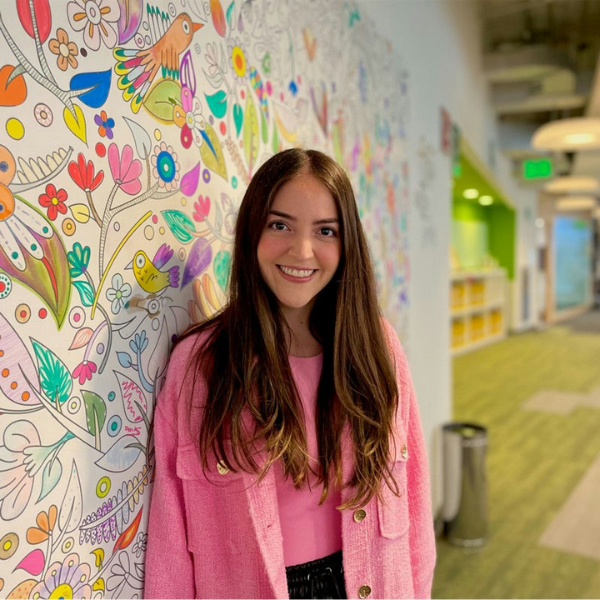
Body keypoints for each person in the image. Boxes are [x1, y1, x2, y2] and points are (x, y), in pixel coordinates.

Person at [144, 148, 436, 599]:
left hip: (373, 580)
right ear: (252, 231)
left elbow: (413, 498)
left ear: (347, 244)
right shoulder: (201, 365)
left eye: (325, 231)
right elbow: (171, 540)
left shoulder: (378, 347)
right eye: (280, 225)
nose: (302, 251)